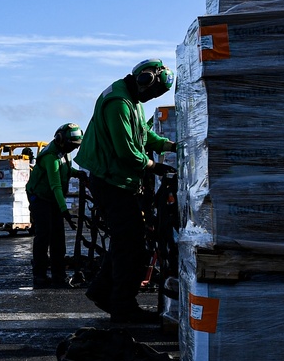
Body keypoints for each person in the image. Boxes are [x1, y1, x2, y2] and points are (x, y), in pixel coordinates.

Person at [74, 59, 178, 324]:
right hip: (111, 181)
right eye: (154, 92)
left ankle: (102, 292)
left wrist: (171, 146)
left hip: (119, 181)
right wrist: (155, 166)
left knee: (126, 241)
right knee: (130, 245)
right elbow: (127, 152)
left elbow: (143, 135)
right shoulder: (118, 103)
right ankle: (122, 305)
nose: (152, 98)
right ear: (146, 80)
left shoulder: (133, 101)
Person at [25, 123, 84, 288]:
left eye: (75, 147)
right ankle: (40, 275)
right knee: (44, 235)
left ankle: (59, 274)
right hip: (41, 198)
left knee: (58, 237)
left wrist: (76, 173)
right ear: (60, 139)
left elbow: (65, 169)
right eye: (71, 145)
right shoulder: (50, 156)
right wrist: (64, 210)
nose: (72, 149)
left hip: (52, 198)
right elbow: (55, 185)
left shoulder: (64, 153)